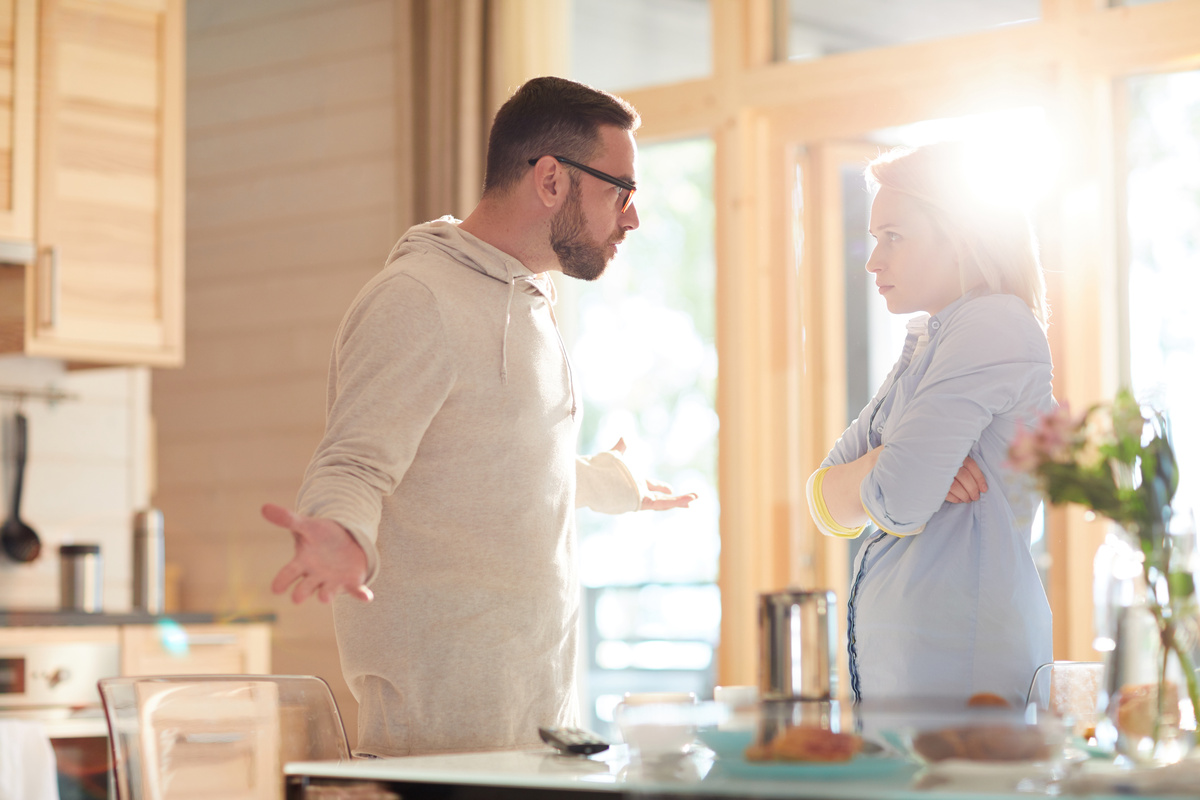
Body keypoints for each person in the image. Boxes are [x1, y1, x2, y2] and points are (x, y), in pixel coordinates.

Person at [261, 76, 697, 757]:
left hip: (539, 733)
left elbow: (490, 459)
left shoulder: (530, 303)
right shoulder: (417, 299)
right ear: (551, 179)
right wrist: (340, 529)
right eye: (621, 190)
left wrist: (614, 484)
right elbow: (355, 461)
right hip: (440, 751)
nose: (632, 217)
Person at [805, 142, 1054, 706]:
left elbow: (898, 497)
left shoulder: (992, 326)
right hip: (917, 680)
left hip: (961, 678)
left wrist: (887, 473)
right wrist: (885, 464)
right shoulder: (929, 340)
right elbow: (823, 502)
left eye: (893, 236)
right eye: (874, 239)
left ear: (962, 233)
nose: (873, 260)